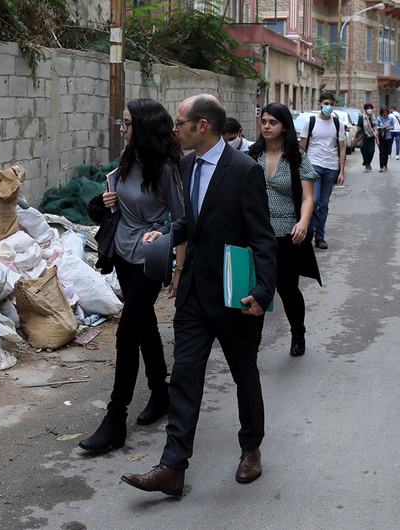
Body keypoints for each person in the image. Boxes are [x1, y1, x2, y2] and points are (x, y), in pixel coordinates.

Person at [122, 94, 276, 497]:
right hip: (193, 294)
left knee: (245, 374)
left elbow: (262, 236)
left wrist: (262, 292)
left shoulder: (243, 170)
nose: (175, 129)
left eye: (180, 122)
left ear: (201, 125)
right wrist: (168, 233)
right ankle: (173, 467)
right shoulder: (186, 165)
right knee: (185, 377)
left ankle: (251, 448)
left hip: (234, 296)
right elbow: (189, 222)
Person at [78, 99, 186, 454]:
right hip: (122, 252)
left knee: (127, 332)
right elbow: (117, 201)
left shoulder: (167, 169)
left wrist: (177, 264)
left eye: (126, 123)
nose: (121, 128)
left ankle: (115, 419)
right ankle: (160, 392)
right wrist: (107, 201)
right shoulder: (127, 159)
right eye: (121, 122)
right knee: (144, 327)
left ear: (143, 126)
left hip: (149, 258)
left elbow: (181, 219)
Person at [249, 103, 321, 357]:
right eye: (264, 121)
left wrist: (303, 222)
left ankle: (298, 332)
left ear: (284, 127)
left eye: (273, 122)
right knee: (257, 289)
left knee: (287, 290)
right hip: (257, 235)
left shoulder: (296, 157)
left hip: (287, 234)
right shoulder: (252, 154)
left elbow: (308, 197)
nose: (267, 126)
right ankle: (252, 342)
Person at [299, 92, 346, 251]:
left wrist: (341, 171)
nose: (329, 107)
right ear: (320, 103)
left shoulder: (337, 123)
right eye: (326, 103)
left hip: (331, 168)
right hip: (313, 166)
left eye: (332, 104)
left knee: (324, 204)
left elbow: (342, 148)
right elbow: (302, 147)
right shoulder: (310, 122)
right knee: (314, 200)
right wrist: (301, 167)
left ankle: (320, 237)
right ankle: (308, 232)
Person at [355, 103, 377, 172]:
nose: (369, 110)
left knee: (371, 151)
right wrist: (354, 137)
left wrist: (376, 136)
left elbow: (375, 127)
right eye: (368, 109)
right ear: (365, 110)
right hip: (363, 137)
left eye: (370, 109)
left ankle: (367, 163)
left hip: (371, 137)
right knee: (364, 152)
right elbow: (358, 127)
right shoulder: (361, 117)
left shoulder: (373, 117)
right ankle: (367, 165)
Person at [375, 106, 395, 172]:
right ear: (381, 112)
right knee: (381, 152)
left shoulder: (390, 118)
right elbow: (376, 127)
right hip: (381, 137)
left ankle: (385, 165)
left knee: (386, 152)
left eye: (386, 112)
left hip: (388, 137)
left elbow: (393, 127)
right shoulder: (379, 118)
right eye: (383, 112)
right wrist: (381, 127)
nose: (385, 113)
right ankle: (381, 166)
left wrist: (388, 127)